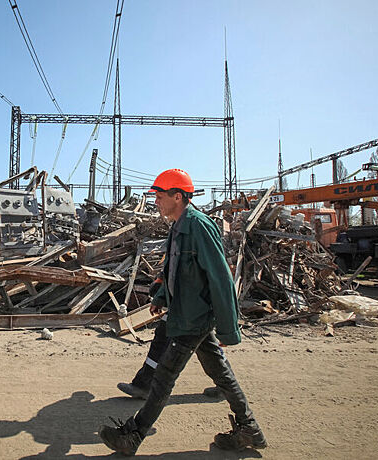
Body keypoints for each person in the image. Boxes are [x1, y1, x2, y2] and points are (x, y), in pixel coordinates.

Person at [99, 169, 266, 455]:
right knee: (220, 373)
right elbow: (173, 271)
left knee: (163, 377)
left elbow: (221, 278)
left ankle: (133, 435)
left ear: (178, 196)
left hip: (195, 317)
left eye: (160, 196)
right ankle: (249, 428)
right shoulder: (177, 227)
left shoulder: (199, 226)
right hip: (185, 313)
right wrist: (162, 296)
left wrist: (229, 328)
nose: (156, 202)